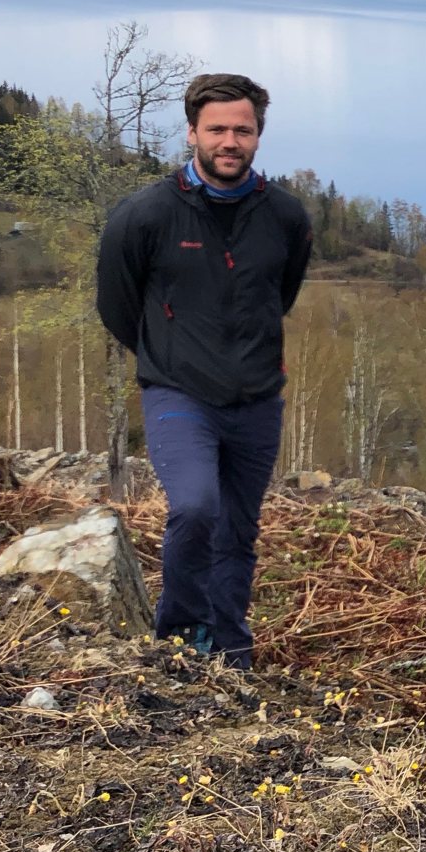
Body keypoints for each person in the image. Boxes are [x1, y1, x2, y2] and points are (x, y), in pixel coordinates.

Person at [96, 73, 312, 670]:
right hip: (178, 392)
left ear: (258, 137)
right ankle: (181, 637)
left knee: (237, 530)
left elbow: (281, 293)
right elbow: (118, 307)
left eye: (242, 130)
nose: (230, 140)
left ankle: (231, 646)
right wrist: (170, 352)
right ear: (193, 132)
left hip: (258, 397)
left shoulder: (285, 216)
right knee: (194, 506)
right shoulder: (144, 215)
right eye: (217, 128)